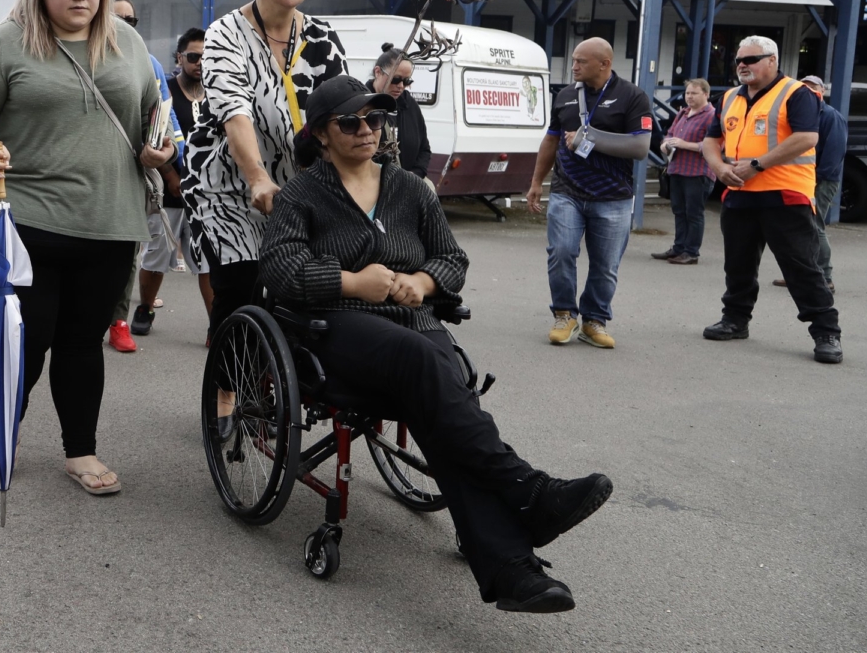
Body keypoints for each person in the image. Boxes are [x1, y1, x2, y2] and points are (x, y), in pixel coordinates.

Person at [260, 76, 613, 613]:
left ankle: (512, 571)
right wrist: (354, 282)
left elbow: (452, 259)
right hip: (337, 330)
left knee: (440, 410)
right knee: (431, 366)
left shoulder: (408, 188)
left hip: (415, 325)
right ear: (322, 136)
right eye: (349, 122)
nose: (366, 130)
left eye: (375, 120)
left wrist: (422, 283)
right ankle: (528, 489)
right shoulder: (302, 194)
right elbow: (281, 270)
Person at [0, 0, 173, 494]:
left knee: (80, 340)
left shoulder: (127, 43)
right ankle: (6, 425)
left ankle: (81, 451)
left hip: (107, 223)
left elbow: (153, 115)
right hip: (19, 220)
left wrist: (160, 148)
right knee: (28, 337)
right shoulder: (7, 42)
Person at [181, 0, 350, 344]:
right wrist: (257, 176)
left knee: (307, 289)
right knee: (240, 288)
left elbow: (341, 111)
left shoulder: (322, 36)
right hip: (230, 186)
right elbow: (234, 113)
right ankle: (225, 393)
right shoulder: (225, 34)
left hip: (298, 185)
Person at [700, 37, 842, 364]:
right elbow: (710, 140)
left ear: (773, 61)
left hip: (785, 195)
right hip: (738, 195)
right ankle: (735, 319)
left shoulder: (796, 93)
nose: (742, 65)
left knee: (801, 267)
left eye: (751, 59)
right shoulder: (729, 98)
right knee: (738, 264)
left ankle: (826, 331)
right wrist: (719, 168)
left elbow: (807, 137)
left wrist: (757, 165)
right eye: (739, 60)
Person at [526, 38, 653, 349]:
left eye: (581, 61)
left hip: (613, 197)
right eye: (573, 60)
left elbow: (640, 147)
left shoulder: (632, 96)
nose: (574, 66)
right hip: (567, 192)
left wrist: (590, 137)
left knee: (605, 264)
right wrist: (535, 183)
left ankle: (594, 320)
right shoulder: (566, 95)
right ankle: (564, 314)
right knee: (561, 252)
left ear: (604, 64)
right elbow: (550, 141)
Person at [107, 0, 185, 353]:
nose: (125, 26)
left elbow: (166, 121)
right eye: (117, 18)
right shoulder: (79, 55)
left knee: (125, 252)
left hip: (130, 179)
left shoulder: (148, 62)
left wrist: (168, 150)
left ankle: (118, 320)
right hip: (83, 179)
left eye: (132, 21)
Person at [130, 27, 214, 341]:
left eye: (206, 57)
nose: (200, 63)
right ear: (179, 58)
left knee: (207, 261)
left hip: (207, 198)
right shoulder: (163, 91)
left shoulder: (218, 96)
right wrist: (170, 175)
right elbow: (150, 137)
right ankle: (146, 307)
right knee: (157, 256)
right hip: (170, 193)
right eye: (193, 57)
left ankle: (215, 323)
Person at [772, 75, 846, 293]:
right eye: (804, 87)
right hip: (797, 179)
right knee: (797, 227)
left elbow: (834, 153)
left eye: (813, 88)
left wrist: (816, 180)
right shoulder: (799, 114)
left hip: (820, 181)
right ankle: (801, 274)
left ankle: (825, 277)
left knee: (815, 226)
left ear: (822, 92)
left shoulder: (831, 117)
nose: (809, 91)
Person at [652, 78, 717, 265]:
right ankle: (678, 248)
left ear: (706, 94)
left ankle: (691, 252)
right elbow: (670, 133)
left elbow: (715, 145)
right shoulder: (682, 113)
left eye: (694, 93)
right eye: (687, 93)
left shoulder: (712, 116)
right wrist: (665, 144)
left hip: (698, 173)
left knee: (694, 213)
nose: (689, 97)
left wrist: (684, 144)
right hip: (677, 169)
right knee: (679, 211)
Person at [368, 43, 432, 179]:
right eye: (395, 79)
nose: (401, 86)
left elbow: (424, 148)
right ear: (377, 72)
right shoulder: (363, 104)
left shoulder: (410, 105)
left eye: (407, 81)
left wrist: (415, 175)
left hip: (410, 183)